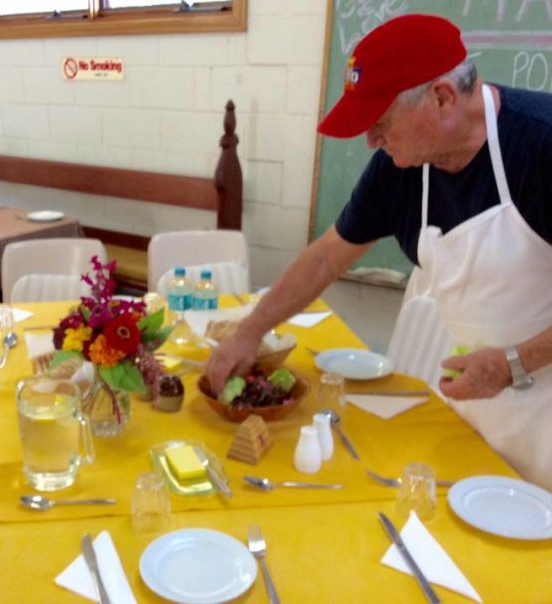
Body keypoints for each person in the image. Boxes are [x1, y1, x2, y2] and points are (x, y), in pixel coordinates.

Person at [205, 14, 552, 489]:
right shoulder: (402, 168)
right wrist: (251, 331)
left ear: (443, 98)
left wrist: (512, 363)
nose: (371, 140)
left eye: (381, 122)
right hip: (476, 406)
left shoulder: (542, 145)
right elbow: (327, 256)